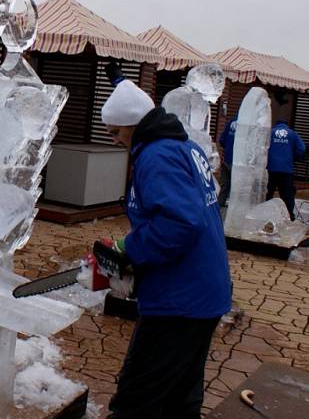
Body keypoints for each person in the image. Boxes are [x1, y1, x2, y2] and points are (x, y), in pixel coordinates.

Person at [100, 64, 232, 419]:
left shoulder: (157, 156)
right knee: (180, 396)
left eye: (115, 133)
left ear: (132, 126)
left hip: (180, 298)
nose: (115, 141)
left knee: (136, 399)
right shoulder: (183, 147)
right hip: (202, 291)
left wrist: (132, 250)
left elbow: (179, 223)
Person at [267, 119, 306, 219]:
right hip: (286, 169)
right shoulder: (292, 134)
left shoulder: (270, 133)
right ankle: (289, 215)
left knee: (268, 191)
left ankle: (265, 213)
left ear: (276, 125)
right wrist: (294, 156)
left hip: (270, 168)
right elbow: (302, 149)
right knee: (287, 193)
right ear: (286, 125)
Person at [217, 116, 237, 207]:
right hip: (237, 161)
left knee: (224, 183)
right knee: (235, 184)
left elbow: (222, 140)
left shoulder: (231, 121)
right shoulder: (248, 123)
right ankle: (230, 205)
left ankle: (220, 204)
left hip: (227, 158)